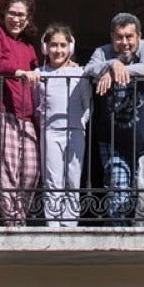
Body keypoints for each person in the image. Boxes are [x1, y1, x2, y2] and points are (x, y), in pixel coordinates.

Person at [83, 12, 144, 223]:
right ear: (112, 38)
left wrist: (119, 68)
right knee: (117, 191)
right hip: (112, 140)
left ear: (139, 37)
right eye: (119, 37)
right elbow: (88, 70)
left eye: (129, 37)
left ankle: (142, 245)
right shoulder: (103, 52)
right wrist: (110, 65)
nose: (124, 43)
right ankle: (118, 239)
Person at [0, 0, 43, 226]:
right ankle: (13, 224)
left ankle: (19, 219)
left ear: (28, 19)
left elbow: (40, 73)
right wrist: (18, 72)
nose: (16, 19)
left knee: (31, 171)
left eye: (21, 16)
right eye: (12, 14)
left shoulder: (27, 47)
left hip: (24, 115)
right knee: (8, 169)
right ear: (3, 13)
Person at [32, 23, 91, 227]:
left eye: (63, 45)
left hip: (75, 132)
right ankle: (54, 224)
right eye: (54, 45)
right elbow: (35, 103)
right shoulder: (39, 74)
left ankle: (70, 223)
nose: (58, 50)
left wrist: (80, 122)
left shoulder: (80, 73)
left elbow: (87, 103)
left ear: (70, 48)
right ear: (45, 48)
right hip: (50, 132)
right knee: (52, 178)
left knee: (73, 178)